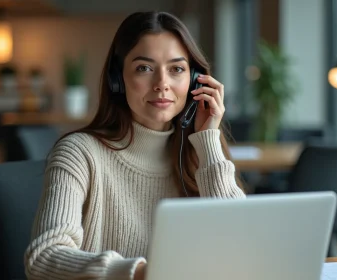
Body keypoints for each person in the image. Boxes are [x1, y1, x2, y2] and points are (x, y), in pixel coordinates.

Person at [24, 11, 246, 280]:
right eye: (145, 68)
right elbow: (44, 258)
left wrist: (208, 138)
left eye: (176, 69)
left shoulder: (198, 155)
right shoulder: (78, 153)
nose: (162, 84)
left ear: (195, 80)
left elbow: (240, 245)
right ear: (118, 79)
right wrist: (142, 273)